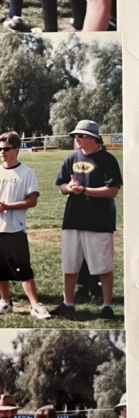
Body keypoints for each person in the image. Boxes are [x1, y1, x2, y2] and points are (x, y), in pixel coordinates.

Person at [51, 119, 122, 321]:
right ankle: (68, 303)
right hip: (73, 220)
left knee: (103, 266)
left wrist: (84, 190)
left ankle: (107, 306)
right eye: (75, 136)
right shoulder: (71, 158)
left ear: (94, 138)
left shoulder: (107, 160)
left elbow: (112, 190)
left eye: (81, 135)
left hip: (99, 222)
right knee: (70, 264)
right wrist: (69, 188)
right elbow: (61, 187)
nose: (77, 139)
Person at [0, 132, 51, 318]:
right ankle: (5, 301)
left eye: (6, 149)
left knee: (23, 268)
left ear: (17, 149)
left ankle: (35, 305)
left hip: (15, 228)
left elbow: (32, 200)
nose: (2, 152)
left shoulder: (27, 173)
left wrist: (8, 207)